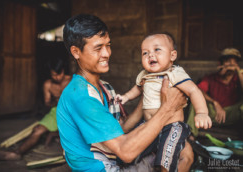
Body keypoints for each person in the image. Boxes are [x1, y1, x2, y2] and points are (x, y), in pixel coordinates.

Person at [57, 14, 194, 172]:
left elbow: (118, 129)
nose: (107, 53)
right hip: (104, 168)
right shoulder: (81, 95)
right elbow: (126, 151)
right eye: (98, 48)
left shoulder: (104, 87)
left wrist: (147, 95)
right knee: (182, 157)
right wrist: (168, 107)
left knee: (184, 150)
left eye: (108, 45)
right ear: (76, 52)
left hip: (116, 158)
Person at [115, 33, 212, 171]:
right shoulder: (144, 75)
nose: (150, 55)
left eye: (157, 50)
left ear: (172, 55)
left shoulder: (175, 73)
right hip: (148, 125)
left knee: (166, 159)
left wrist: (202, 112)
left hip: (171, 127)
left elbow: (194, 91)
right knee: (133, 148)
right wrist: (126, 97)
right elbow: (137, 89)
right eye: (145, 53)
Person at [0, 57, 72, 161]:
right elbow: (47, 103)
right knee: (37, 130)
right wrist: (55, 101)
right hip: (56, 111)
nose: (57, 77)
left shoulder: (72, 80)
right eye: (54, 74)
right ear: (50, 73)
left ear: (63, 71)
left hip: (72, 112)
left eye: (59, 74)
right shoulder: (48, 85)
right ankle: (17, 153)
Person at [187, 47, 243, 137]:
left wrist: (238, 71)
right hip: (213, 115)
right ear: (220, 64)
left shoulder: (238, 78)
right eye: (228, 62)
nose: (231, 65)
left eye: (234, 62)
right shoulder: (211, 78)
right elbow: (198, 90)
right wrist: (214, 103)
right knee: (195, 101)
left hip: (231, 115)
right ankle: (191, 136)